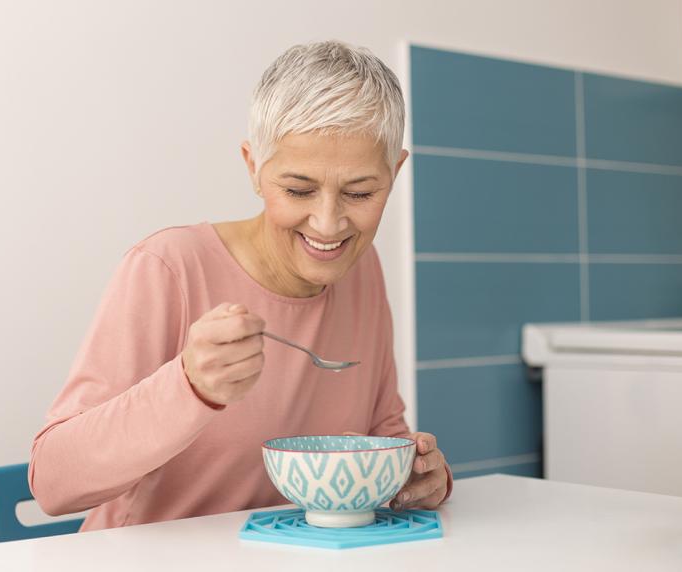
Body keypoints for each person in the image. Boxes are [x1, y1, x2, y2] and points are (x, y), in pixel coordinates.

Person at [29, 40, 452, 531]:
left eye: (360, 192)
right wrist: (189, 387)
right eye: (298, 190)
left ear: (395, 174)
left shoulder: (362, 268)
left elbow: (382, 434)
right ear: (253, 167)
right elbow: (53, 484)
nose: (329, 223)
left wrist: (417, 478)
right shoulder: (169, 268)